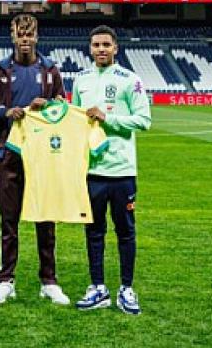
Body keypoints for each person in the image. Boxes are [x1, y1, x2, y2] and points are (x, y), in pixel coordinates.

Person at [0, 13, 70, 305]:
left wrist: (51, 106)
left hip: (43, 155)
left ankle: (49, 280)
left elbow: (63, 108)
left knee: (45, 218)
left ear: (37, 36)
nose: (26, 39)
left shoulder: (50, 70)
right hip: (9, 154)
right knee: (9, 221)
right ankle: (6, 280)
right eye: (21, 34)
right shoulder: (0, 70)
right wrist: (7, 111)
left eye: (30, 34)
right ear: (12, 36)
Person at [70, 25, 151, 315]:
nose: (101, 49)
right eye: (96, 45)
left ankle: (127, 289)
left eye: (106, 44)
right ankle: (98, 288)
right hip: (92, 172)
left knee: (125, 232)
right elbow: (77, 122)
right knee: (94, 232)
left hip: (122, 172)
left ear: (116, 48)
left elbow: (144, 120)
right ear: (89, 49)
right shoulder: (81, 81)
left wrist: (108, 118)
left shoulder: (130, 80)